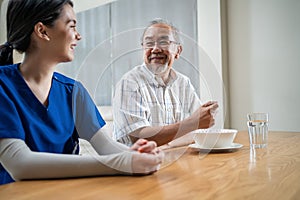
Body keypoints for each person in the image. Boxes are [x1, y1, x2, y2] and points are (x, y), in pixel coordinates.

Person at [0, 0, 163, 185]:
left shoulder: (73, 92)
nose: (78, 36)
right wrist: (119, 163)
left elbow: (106, 146)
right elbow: (20, 164)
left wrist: (136, 154)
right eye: (72, 26)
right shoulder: (3, 87)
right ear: (42, 31)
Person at [113, 19, 219, 147]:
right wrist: (191, 124)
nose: (155, 49)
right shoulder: (129, 83)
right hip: (138, 165)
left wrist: (194, 125)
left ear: (178, 51)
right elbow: (140, 138)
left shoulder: (183, 83)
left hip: (177, 161)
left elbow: (200, 130)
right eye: (149, 43)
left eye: (163, 42)